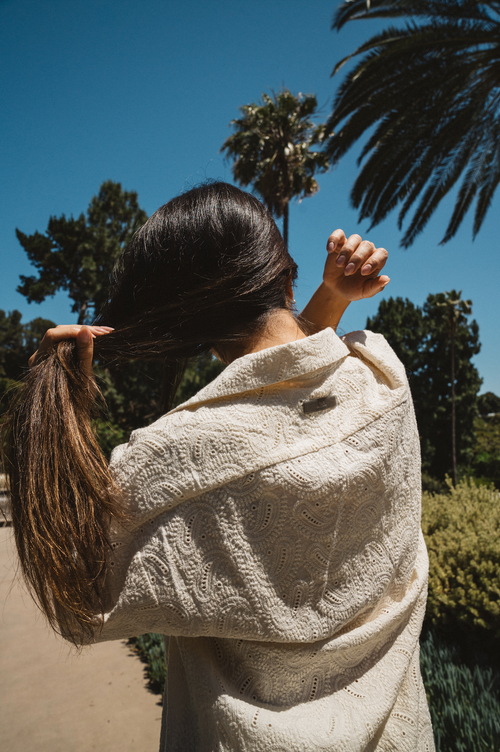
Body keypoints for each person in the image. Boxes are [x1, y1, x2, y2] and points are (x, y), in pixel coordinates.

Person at [5, 182, 434, 751]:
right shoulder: (383, 375)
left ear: (187, 323)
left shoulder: (170, 455)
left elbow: (76, 600)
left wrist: (48, 406)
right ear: (283, 279)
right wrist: (328, 300)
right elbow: (298, 388)